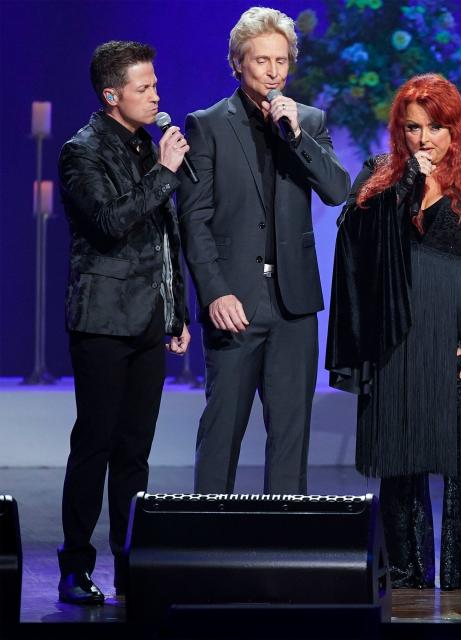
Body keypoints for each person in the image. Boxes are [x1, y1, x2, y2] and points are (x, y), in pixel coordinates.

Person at [326, 74, 461, 593]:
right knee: (403, 452)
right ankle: (404, 566)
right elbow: (357, 250)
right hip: (401, 334)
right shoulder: (379, 177)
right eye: (413, 127)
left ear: (455, 128)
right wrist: (407, 190)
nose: (424, 139)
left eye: (436, 127)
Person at [178, 7, 350, 494]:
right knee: (221, 432)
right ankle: (206, 548)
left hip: (293, 305)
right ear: (237, 63)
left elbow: (338, 190)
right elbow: (194, 218)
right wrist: (214, 293)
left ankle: (284, 549)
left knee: (291, 437)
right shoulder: (207, 124)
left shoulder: (308, 122)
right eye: (261, 62)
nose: (273, 72)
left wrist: (296, 138)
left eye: (281, 61)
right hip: (233, 301)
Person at [58, 40, 191, 604]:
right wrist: (163, 171)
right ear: (112, 95)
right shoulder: (81, 151)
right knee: (96, 443)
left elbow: (165, 240)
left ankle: (128, 564)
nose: (156, 95)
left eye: (156, 85)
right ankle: (74, 567)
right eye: (145, 87)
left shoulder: (146, 147)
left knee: (136, 448)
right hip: (102, 321)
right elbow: (111, 222)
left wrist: (176, 311)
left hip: (145, 321)